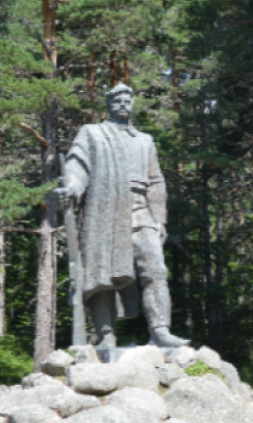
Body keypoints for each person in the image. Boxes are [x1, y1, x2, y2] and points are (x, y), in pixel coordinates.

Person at [58, 83, 189, 349]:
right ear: (108, 104)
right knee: (101, 272)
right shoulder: (93, 134)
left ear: (132, 104)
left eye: (127, 99)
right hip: (105, 208)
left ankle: (160, 331)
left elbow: (156, 182)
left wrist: (159, 219)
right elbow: (78, 165)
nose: (122, 104)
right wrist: (71, 188)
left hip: (141, 210)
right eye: (116, 100)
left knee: (155, 270)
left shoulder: (145, 140)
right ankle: (105, 335)